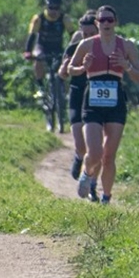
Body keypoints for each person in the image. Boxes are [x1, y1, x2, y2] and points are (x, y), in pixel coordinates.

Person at [66, 5, 139, 205]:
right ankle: (87, 173)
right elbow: (70, 69)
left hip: (115, 101)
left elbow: (138, 77)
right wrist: (83, 67)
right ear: (97, 23)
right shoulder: (86, 45)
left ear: (115, 22)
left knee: (109, 156)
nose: (107, 23)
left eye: (110, 20)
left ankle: (106, 197)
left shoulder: (127, 46)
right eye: (103, 20)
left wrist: (126, 66)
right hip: (92, 100)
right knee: (95, 152)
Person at [22, 0, 70, 132]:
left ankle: (62, 89)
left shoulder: (64, 19)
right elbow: (32, 36)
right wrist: (27, 51)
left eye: (56, 8)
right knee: (38, 58)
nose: (54, 11)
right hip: (42, 46)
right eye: (51, 7)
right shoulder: (39, 19)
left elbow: (72, 35)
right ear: (46, 7)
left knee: (63, 66)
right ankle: (41, 86)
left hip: (57, 47)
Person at [59, 10, 97, 180]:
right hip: (77, 93)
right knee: (81, 145)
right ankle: (78, 157)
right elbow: (62, 73)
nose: (87, 37)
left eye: (92, 34)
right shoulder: (75, 48)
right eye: (85, 34)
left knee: (96, 147)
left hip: (96, 98)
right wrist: (67, 67)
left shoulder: (106, 47)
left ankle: (92, 183)